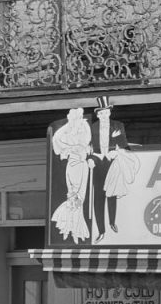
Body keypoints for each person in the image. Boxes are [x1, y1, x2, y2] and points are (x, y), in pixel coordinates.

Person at [87, 100, 137, 241]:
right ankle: (101, 230)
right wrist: (89, 158)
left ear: (110, 112)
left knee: (112, 193)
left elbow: (125, 145)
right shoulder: (92, 127)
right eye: (101, 113)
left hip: (112, 162)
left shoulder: (118, 125)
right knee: (98, 197)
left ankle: (112, 222)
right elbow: (87, 147)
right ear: (98, 114)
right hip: (97, 163)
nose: (104, 115)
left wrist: (118, 147)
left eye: (106, 112)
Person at [50, 108, 92, 243]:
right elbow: (56, 138)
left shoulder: (84, 127)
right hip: (72, 165)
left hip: (81, 165)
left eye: (77, 118)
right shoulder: (67, 130)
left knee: (79, 198)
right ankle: (69, 228)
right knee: (72, 197)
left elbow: (86, 141)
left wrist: (76, 147)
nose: (76, 121)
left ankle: (74, 229)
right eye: (73, 118)